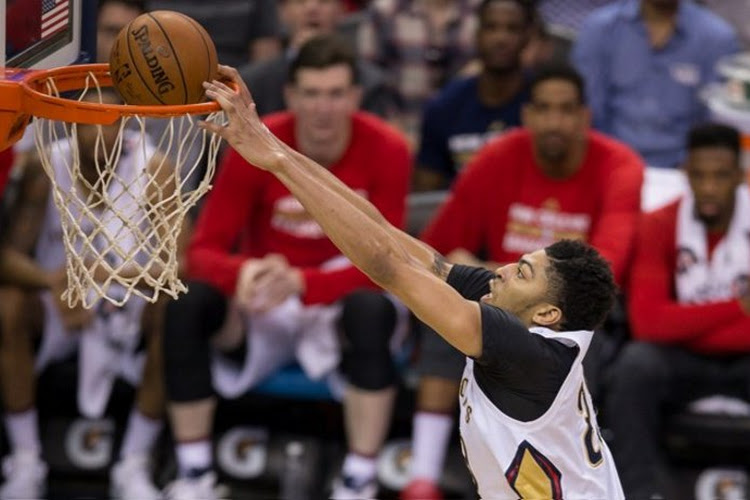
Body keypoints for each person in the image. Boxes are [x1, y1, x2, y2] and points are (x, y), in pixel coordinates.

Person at [199, 63, 626, 500]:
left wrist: (278, 162)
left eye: (522, 272)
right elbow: (388, 236)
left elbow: (386, 266)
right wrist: (273, 148)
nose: (501, 270)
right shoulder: (526, 317)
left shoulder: (526, 351)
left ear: (548, 313)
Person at [161, 36, 411, 500]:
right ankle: (194, 473)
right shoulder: (256, 142)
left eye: (336, 94)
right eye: (312, 94)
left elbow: (393, 262)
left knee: (372, 310)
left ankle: (360, 477)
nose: (323, 108)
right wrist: (244, 274)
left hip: (340, 303)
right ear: (292, 96)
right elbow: (202, 252)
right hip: (264, 303)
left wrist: (305, 282)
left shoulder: (388, 149)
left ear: (355, 97)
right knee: (188, 304)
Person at [405, 63, 643, 499]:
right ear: (527, 115)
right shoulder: (498, 157)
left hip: (574, 322)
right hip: (516, 305)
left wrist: (279, 160)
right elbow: (431, 246)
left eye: (567, 109)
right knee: (447, 300)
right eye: (545, 109)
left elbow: (605, 269)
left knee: (458, 310)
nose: (555, 121)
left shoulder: (617, 164)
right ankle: (422, 476)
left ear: (585, 116)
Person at [0, 90, 174, 500]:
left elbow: (179, 268)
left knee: (174, 312)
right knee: (8, 304)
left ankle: (135, 462)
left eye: (111, 121)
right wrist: (53, 283)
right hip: (56, 302)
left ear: (128, 122)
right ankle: (25, 460)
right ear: (71, 122)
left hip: (127, 301)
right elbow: (6, 256)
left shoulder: (155, 169)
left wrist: (110, 274)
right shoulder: (47, 166)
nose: (102, 132)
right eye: (90, 120)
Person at [605, 123, 750, 500]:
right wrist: (738, 307)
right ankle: (639, 493)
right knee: (635, 365)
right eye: (699, 175)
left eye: (721, 176)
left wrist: (684, 321)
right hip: (682, 361)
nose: (710, 187)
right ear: (685, 173)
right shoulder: (658, 224)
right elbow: (648, 322)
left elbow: (666, 319)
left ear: (740, 175)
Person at [572, 0, 739, 168]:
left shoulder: (718, 38)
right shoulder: (600, 28)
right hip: (609, 161)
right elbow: (589, 108)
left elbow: (715, 121)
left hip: (687, 169)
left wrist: (693, 166)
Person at [413, 0, 533, 192]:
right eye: (491, 27)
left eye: (512, 29)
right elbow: (426, 198)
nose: (501, 38)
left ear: (527, 37)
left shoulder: (546, 103)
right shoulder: (444, 107)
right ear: (476, 34)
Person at [239, 0, 396, 119]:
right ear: (282, 12)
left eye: (323, 0)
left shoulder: (372, 83)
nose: (312, 8)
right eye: (300, 1)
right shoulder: (252, 83)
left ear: (341, 10)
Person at [356, 0, 479, 145]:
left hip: (464, 137)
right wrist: (391, 128)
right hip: (398, 132)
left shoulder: (480, 11)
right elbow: (368, 76)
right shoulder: (385, 11)